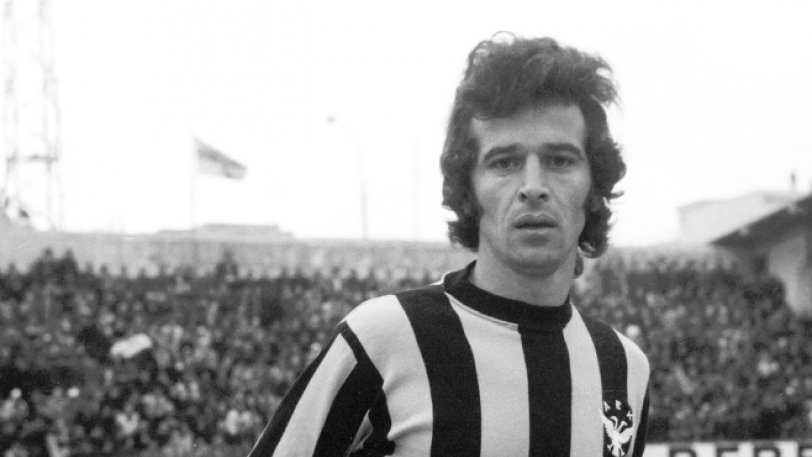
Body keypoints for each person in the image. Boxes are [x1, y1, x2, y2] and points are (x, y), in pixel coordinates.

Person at [248, 33, 649, 457]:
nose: (533, 186)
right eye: (505, 162)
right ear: (468, 189)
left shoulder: (624, 369)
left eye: (560, 160)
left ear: (594, 186)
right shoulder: (383, 338)